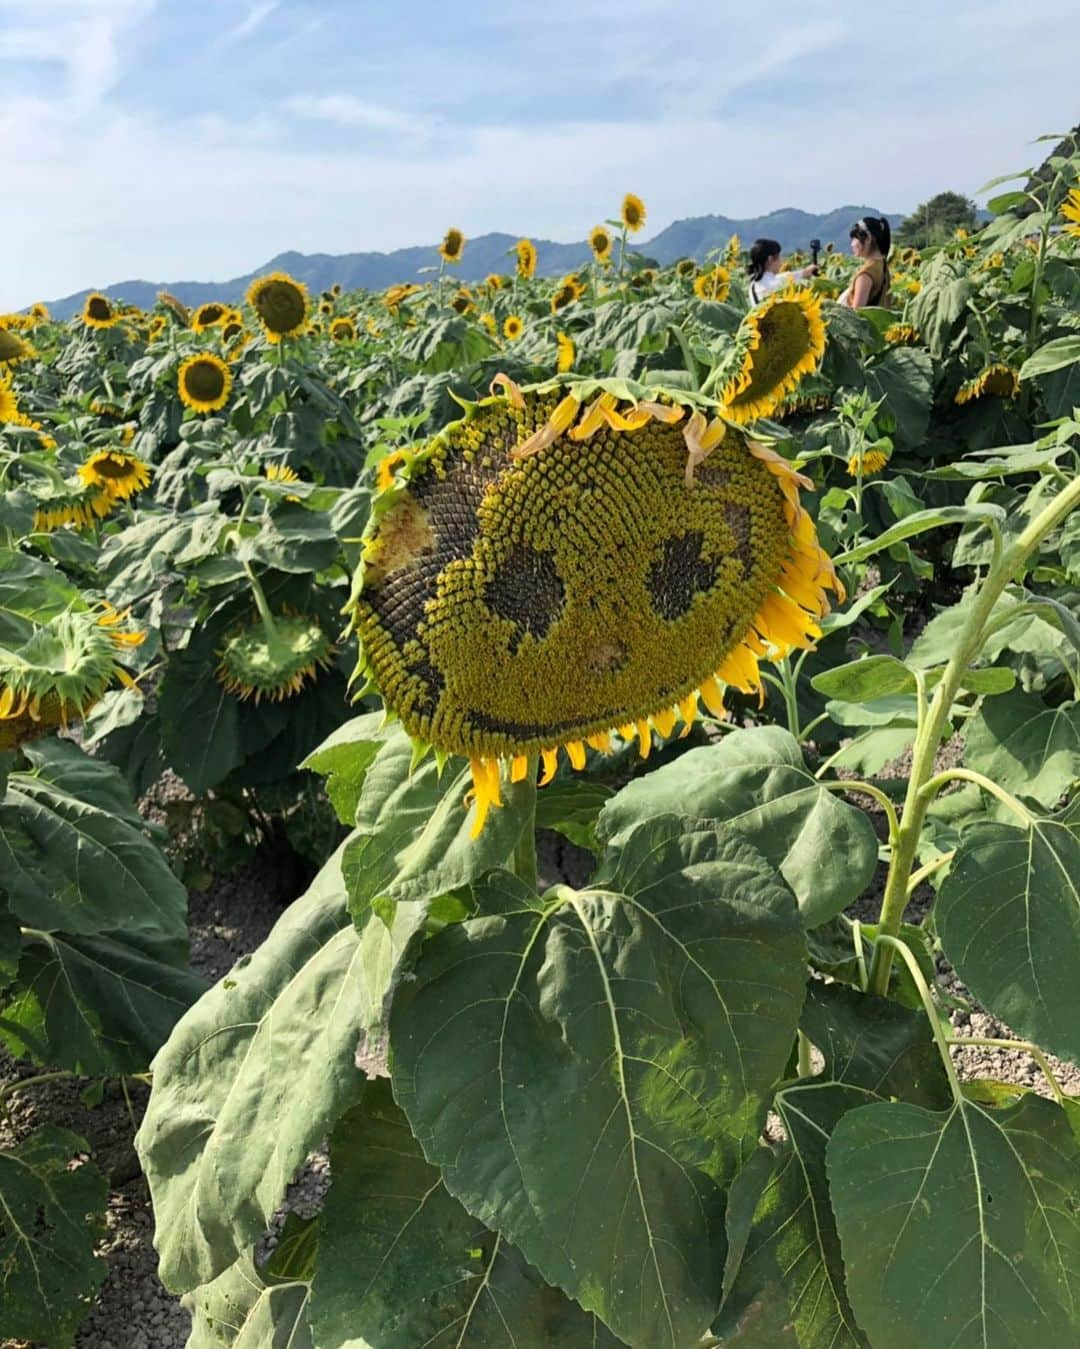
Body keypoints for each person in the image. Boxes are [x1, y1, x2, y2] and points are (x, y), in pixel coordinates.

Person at [747, 238, 818, 304]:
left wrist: (805, 272)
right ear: (770, 259)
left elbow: (783, 277)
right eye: (779, 257)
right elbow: (783, 280)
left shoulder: (753, 284)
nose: (781, 262)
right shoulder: (777, 285)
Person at [841, 217, 892, 308]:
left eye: (855, 239)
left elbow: (857, 312)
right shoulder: (882, 265)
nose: (852, 244)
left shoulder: (866, 274)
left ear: (868, 238)